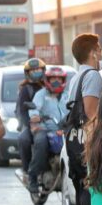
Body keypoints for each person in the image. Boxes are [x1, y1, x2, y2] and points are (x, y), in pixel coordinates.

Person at [65, 33, 102, 205]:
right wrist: (96, 152)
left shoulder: (75, 77)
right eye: (99, 50)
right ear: (93, 52)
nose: (101, 55)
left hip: (73, 145)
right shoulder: (92, 76)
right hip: (85, 149)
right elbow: (91, 115)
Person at [27, 66, 68, 194]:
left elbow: (75, 109)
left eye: (59, 79)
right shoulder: (41, 94)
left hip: (65, 130)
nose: (56, 81)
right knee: (41, 142)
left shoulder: (68, 95)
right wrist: (35, 116)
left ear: (63, 80)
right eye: (53, 78)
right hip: (46, 129)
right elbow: (34, 109)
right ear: (47, 80)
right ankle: (33, 177)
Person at [16, 58, 45, 184]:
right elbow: (21, 111)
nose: (36, 72)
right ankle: (27, 171)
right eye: (33, 70)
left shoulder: (48, 86)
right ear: (27, 73)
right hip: (30, 124)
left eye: (38, 69)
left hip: (48, 123)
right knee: (24, 139)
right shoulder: (25, 89)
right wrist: (30, 124)